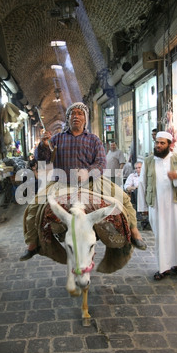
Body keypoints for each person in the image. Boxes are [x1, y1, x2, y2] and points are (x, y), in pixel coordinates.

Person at [20, 102, 146, 261]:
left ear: (85, 119)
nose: (76, 116)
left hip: (92, 182)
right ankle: (32, 244)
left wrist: (88, 172)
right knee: (34, 206)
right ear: (68, 118)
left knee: (124, 199)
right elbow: (41, 158)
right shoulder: (57, 138)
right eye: (73, 114)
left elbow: (101, 163)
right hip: (62, 182)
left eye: (80, 114)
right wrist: (43, 145)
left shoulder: (94, 140)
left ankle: (135, 232)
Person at [137, 131, 177, 280]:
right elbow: (142, 184)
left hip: (176, 204)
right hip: (156, 206)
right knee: (161, 237)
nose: (158, 145)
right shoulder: (148, 161)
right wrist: (142, 207)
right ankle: (163, 268)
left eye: (162, 143)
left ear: (169, 145)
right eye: (157, 142)